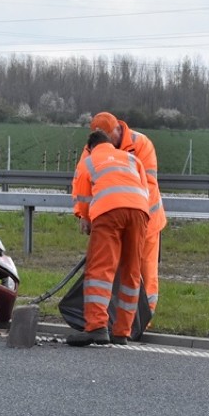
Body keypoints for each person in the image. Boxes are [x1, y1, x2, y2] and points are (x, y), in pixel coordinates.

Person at [68, 130, 149, 346]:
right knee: (131, 271)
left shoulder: (90, 161)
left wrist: (85, 218)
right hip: (140, 212)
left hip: (108, 212)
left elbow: (83, 196)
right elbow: (143, 187)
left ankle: (96, 327)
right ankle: (122, 332)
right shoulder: (131, 158)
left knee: (100, 270)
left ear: (91, 146)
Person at [86, 111, 167, 317]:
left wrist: (133, 218)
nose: (106, 143)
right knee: (110, 270)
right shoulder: (93, 148)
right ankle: (116, 322)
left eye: (107, 137)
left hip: (146, 219)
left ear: (117, 129)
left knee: (144, 272)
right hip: (113, 218)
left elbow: (147, 185)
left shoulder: (141, 144)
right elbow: (85, 184)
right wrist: (85, 217)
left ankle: (143, 320)